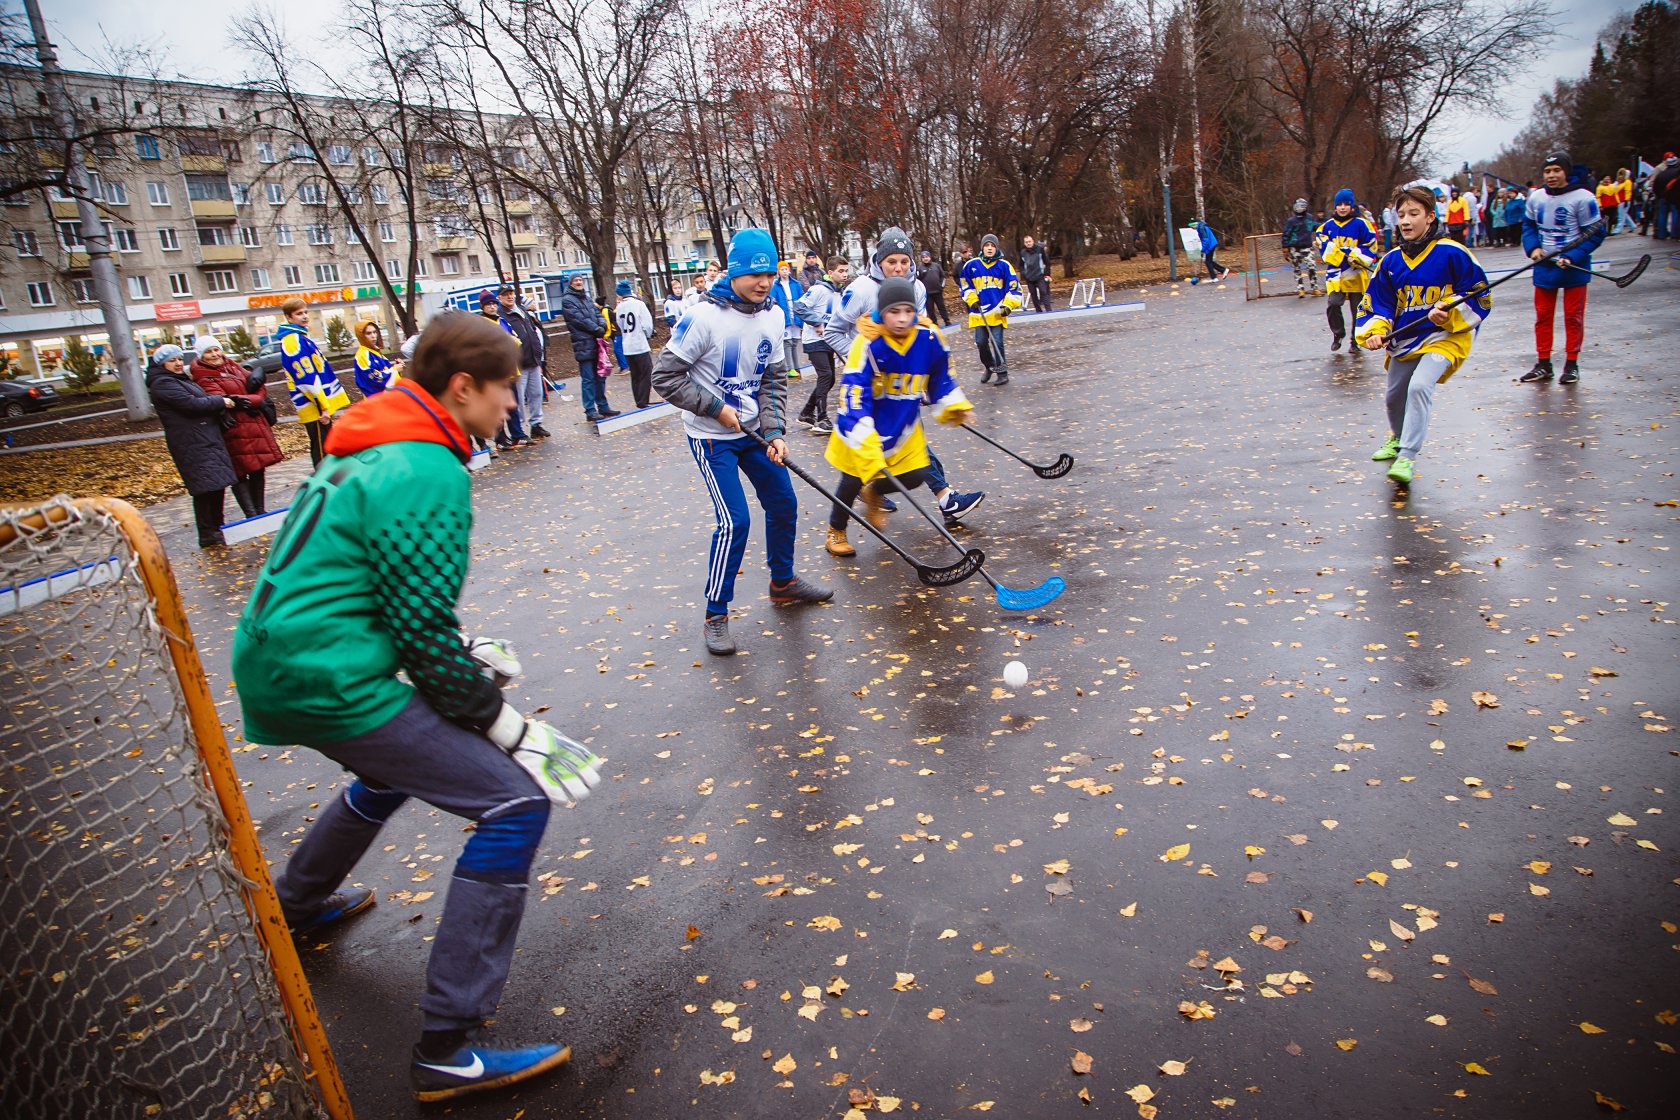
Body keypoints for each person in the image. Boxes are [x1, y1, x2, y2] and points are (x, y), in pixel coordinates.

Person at [232, 312, 599, 1103]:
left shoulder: (374, 437)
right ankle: (446, 1047)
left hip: (286, 656)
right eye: (504, 389)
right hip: (330, 677)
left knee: (394, 763)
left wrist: (456, 662)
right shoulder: (426, 467)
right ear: (462, 387)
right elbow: (423, 637)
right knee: (512, 805)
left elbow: (383, 597)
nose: (512, 404)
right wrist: (513, 729)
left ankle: (296, 904)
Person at [651, 228, 834, 656]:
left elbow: (771, 382)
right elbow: (665, 377)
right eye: (755, 273)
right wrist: (714, 408)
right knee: (734, 522)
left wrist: (774, 432)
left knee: (784, 503)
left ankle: (783, 582)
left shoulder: (772, 315)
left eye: (770, 272)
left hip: (753, 432)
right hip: (712, 437)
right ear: (734, 272)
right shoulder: (703, 317)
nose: (764, 281)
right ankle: (716, 614)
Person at [833, 227, 984, 523]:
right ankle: (840, 524)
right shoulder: (862, 289)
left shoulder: (916, 287)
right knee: (859, 464)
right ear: (879, 261)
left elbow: (920, 335)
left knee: (911, 444)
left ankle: (944, 498)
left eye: (904, 261)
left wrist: (921, 375)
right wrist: (864, 361)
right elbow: (834, 330)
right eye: (892, 262)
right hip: (868, 389)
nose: (898, 268)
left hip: (904, 385)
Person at [823, 276, 973, 558]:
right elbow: (855, 390)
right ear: (882, 312)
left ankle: (875, 491)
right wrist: (862, 432)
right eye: (894, 312)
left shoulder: (927, 337)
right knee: (852, 479)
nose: (902, 319)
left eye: (908, 311)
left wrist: (952, 404)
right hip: (866, 422)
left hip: (903, 422)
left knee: (916, 474)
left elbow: (941, 373)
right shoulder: (869, 343)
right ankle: (836, 530)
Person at [1356, 184, 1492, 486]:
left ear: (1430, 217)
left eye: (1413, 214)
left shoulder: (1452, 253)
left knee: (1419, 387)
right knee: (1394, 399)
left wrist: (1449, 311)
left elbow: (1479, 295)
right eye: (1400, 214)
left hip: (1446, 338)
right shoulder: (1390, 261)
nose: (1405, 220)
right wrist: (1377, 332)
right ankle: (1398, 436)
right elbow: (1378, 302)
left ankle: (1407, 455)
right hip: (1406, 340)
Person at [1519, 150, 1604, 385]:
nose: (1552, 175)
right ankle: (1543, 363)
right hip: (1545, 266)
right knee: (1543, 316)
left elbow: (1595, 234)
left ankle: (1571, 364)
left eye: (1557, 170)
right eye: (1547, 171)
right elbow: (1528, 226)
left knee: (1573, 317)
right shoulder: (1536, 197)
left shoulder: (1583, 197)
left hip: (1574, 268)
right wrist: (1533, 248)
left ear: (1566, 171)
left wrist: (1573, 256)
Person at [148, 343, 241, 547]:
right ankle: (208, 533)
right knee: (205, 488)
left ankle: (216, 528)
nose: (178, 363)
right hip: (191, 443)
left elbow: (200, 399)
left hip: (203, 439)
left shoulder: (178, 380)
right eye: (172, 360)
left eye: (180, 359)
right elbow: (191, 405)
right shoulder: (163, 383)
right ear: (162, 364)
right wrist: (221, 401)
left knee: (216, 485)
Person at [192, 338, 283, 519]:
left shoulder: (231, 365)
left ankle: (260, 511)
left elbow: (258, 386)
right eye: (209, 352)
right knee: (240, 472)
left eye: (217, 349)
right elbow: (224, 400)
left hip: (252, 424)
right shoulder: (203, 376)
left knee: (258, 467)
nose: (215, 354)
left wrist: (253, 397)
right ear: (201, 356)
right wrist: (256, 400)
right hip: (233, 429)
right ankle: (251, 514)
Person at [277, 298, 350, 467]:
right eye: (298, 313)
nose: (304, 317)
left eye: (305, 312)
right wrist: (322, 406)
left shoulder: (300, 337)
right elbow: (306, 377)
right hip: (314, 407)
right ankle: (323, 485)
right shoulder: (293, 341)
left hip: (318, 404)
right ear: (289, 318)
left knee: (327, 448)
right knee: (322, 452)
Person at [1315, 188, 1378, 352]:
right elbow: (1324, 245)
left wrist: (1356, 257)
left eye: (1346, 204)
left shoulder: (1362, 224)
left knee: (1358, 309)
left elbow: (1371, 245)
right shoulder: (1326, 227)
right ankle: (1338, 333)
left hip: (1356, 274)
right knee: (1333, 304)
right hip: (1336, 275)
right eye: (1339, 205)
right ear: (1335, 207)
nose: (1343, 208)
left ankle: (1355, 341)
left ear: (1352, 206)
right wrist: (1342, 255)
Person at [793, 256, 850, 433]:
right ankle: (822, 418)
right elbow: (799, 306)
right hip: (814, 340)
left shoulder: (840, 292)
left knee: (830, 377)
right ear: (830, 272)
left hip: (829, 340)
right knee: (825, 375)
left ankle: (806, 413)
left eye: (846, 271)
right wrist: (816, 323)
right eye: (841, 271)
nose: (845, 274)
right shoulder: (818, 289)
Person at [959, 232, 1023, 384]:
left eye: (992, 246)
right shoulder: (971, 265)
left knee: (997, 342)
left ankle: (1003, 373)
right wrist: (972, 299)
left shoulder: (1004, 266)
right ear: (982, 247)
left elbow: (1014, 287)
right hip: (979, 314)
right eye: (986, 245)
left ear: (996, 248)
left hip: (997, 312)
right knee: (981, 342)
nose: (989, 248)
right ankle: (989, 366)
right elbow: (965, 285)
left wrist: (1008, 305)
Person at [559, 274, 617, 422]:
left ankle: (603, 406)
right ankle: (590, 410)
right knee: (588, 379)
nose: (579, 283)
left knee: (600, 376)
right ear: (571, 283)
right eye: (576, 280)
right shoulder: (567, 300)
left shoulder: (587, 298)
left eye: (580, 280)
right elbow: (578, 319)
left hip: (596, 343)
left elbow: (597, 314)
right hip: (583, 344)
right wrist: (596, 329)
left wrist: (602, 325)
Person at [478, 291, 530, 447]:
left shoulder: (502, 321)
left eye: (494, 304)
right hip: (494, 372)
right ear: (483, 307)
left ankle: (517, 434)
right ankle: (500, 438)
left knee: (512, 403)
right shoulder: (481, 324)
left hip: (510, 370)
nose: (492, 307)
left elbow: (515, 339)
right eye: (489, 304)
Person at [498, 284, 550, 439]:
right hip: (518, 364)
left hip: (533, 360)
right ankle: (519, 429)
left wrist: (538, 352)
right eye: (505, 294)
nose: (509, 296)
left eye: (511, 293)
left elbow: (532, 330)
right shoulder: (501, 315)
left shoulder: (521, 309)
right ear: (499, 297)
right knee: (519, 399)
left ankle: (536, 424)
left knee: (536, 394)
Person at [614, 279, 657, 409]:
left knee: (635, 374)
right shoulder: (639, 304)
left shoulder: (620, 307)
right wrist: (648, 334)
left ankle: (638, 399)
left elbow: (620, 325)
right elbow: (647, 325)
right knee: (646, 372)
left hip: (627, 345)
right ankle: (643, 400)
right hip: (639, 344)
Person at [770, 261, 805, 379]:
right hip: (784, 317)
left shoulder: (796, 284)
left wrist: (801, 317)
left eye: (786, 269)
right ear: (778, 272)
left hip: (795, 316)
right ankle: (790, 368)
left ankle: (797, 366)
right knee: (787, 343)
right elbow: (774, 301)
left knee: (795, 342)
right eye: (782, 269)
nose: (784, 272)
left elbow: (801, 300)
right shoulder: (776, 286)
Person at [1280, 199, 1319, 297]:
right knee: (1297, 269)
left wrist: (1326, 226)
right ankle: (1300, 289)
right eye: (1297, 206)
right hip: (1295, 248)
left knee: (1312, 267)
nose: (1299, 208)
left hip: (1307, 247)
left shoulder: (1309, 218)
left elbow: (1317, 227)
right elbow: (1286, 234)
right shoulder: (1291, 221)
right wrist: (1285, 248)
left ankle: (1315, 288)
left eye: (1302, 206)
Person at [352, 320, 401, 398]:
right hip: (376, 401)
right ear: (361, 336)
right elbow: (373, 379)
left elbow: (385, 370)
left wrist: (396, 367)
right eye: (368, 333)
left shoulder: (375, 352)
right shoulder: (363, 355)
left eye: (374, 332)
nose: (373, 336)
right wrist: (395, 370)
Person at [916, 249, 951, 326]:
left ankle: (947, 321)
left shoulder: (936, 266)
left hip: (938, 291)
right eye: (924, 257)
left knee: (942, 307)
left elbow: (943, 276)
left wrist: (941, 286)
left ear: (930, 257)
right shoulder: (919, 268)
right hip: (927, 293)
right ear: (921, 259)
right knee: (930, 309)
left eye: (927, 256)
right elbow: (918, 281)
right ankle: (934, 323)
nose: (925, 258)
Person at [1019, 234, 1051, 312]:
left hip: (1040, 276)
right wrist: (1024, 274)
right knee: (1033, 296)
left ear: (1033, 241)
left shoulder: (1040, 249)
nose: (1028, 243)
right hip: (1029, 278)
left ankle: (1049, 310)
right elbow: (1021, 265)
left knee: (1044, 292)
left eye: (1029, 241)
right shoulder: (1023, 252)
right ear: (1024, 243)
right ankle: (1038, 311)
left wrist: (1047, 274)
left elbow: (1047, 262)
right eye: (1026, 242)